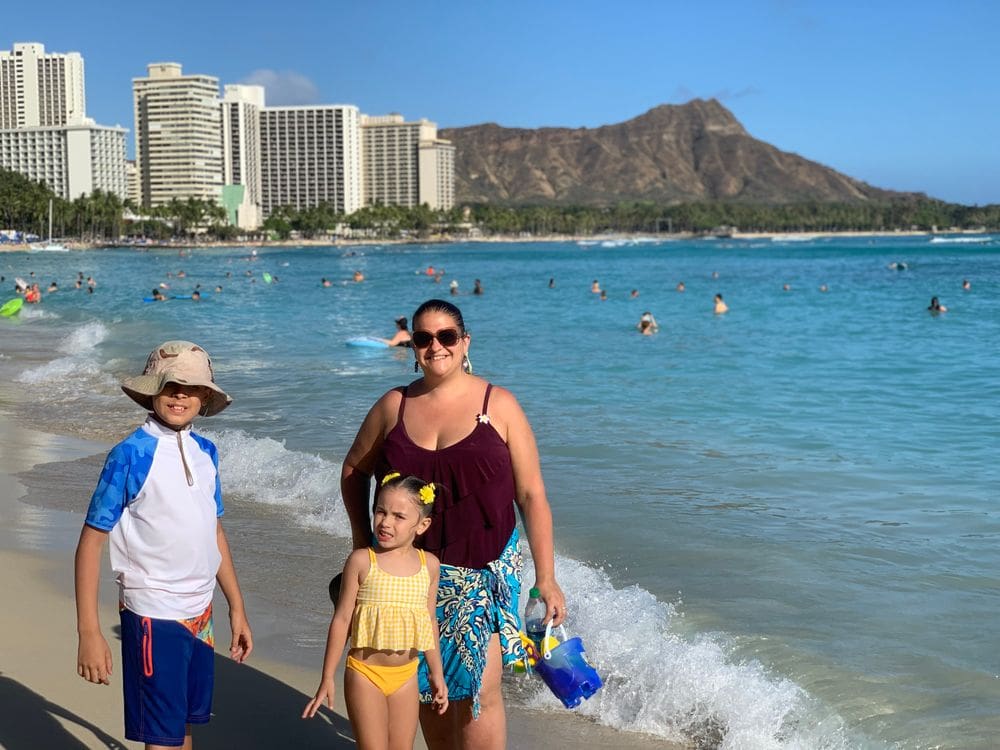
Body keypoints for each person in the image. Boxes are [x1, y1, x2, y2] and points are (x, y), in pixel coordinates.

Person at [340, 299, 566, 750]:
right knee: (424, 686)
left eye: (446, 337)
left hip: (480, 574)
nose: (435, 346)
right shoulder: (394, 406)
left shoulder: (498, 405)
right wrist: (365, 548)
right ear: (414, 347)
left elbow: (531, 495)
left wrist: (547, 577)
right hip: (409, 576)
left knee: (479, 689)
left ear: (465, 343)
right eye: (423, 338)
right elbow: (353, 471)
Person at [74, 341, 252, 749]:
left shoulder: (207, 453)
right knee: (161, 738)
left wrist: (236, 608)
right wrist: (89, 631)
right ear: (153, 390)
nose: (180, 395)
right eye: (170, 385)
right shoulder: (130, 454)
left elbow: (215, 533)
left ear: (205, 396)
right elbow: (90, 542)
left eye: (191, 387)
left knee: (182, 727)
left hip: (200, 612)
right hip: (153, 610)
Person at [303, 473, 448, 745]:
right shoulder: (362, 561)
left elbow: (429, 620)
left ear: (422, 525)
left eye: (398, 516)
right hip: (364, 674)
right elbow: (343, 618)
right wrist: (327, 676)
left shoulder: (429, 565)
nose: (386, 522)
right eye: (380, 511)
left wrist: (436, 672)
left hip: (406, 675)